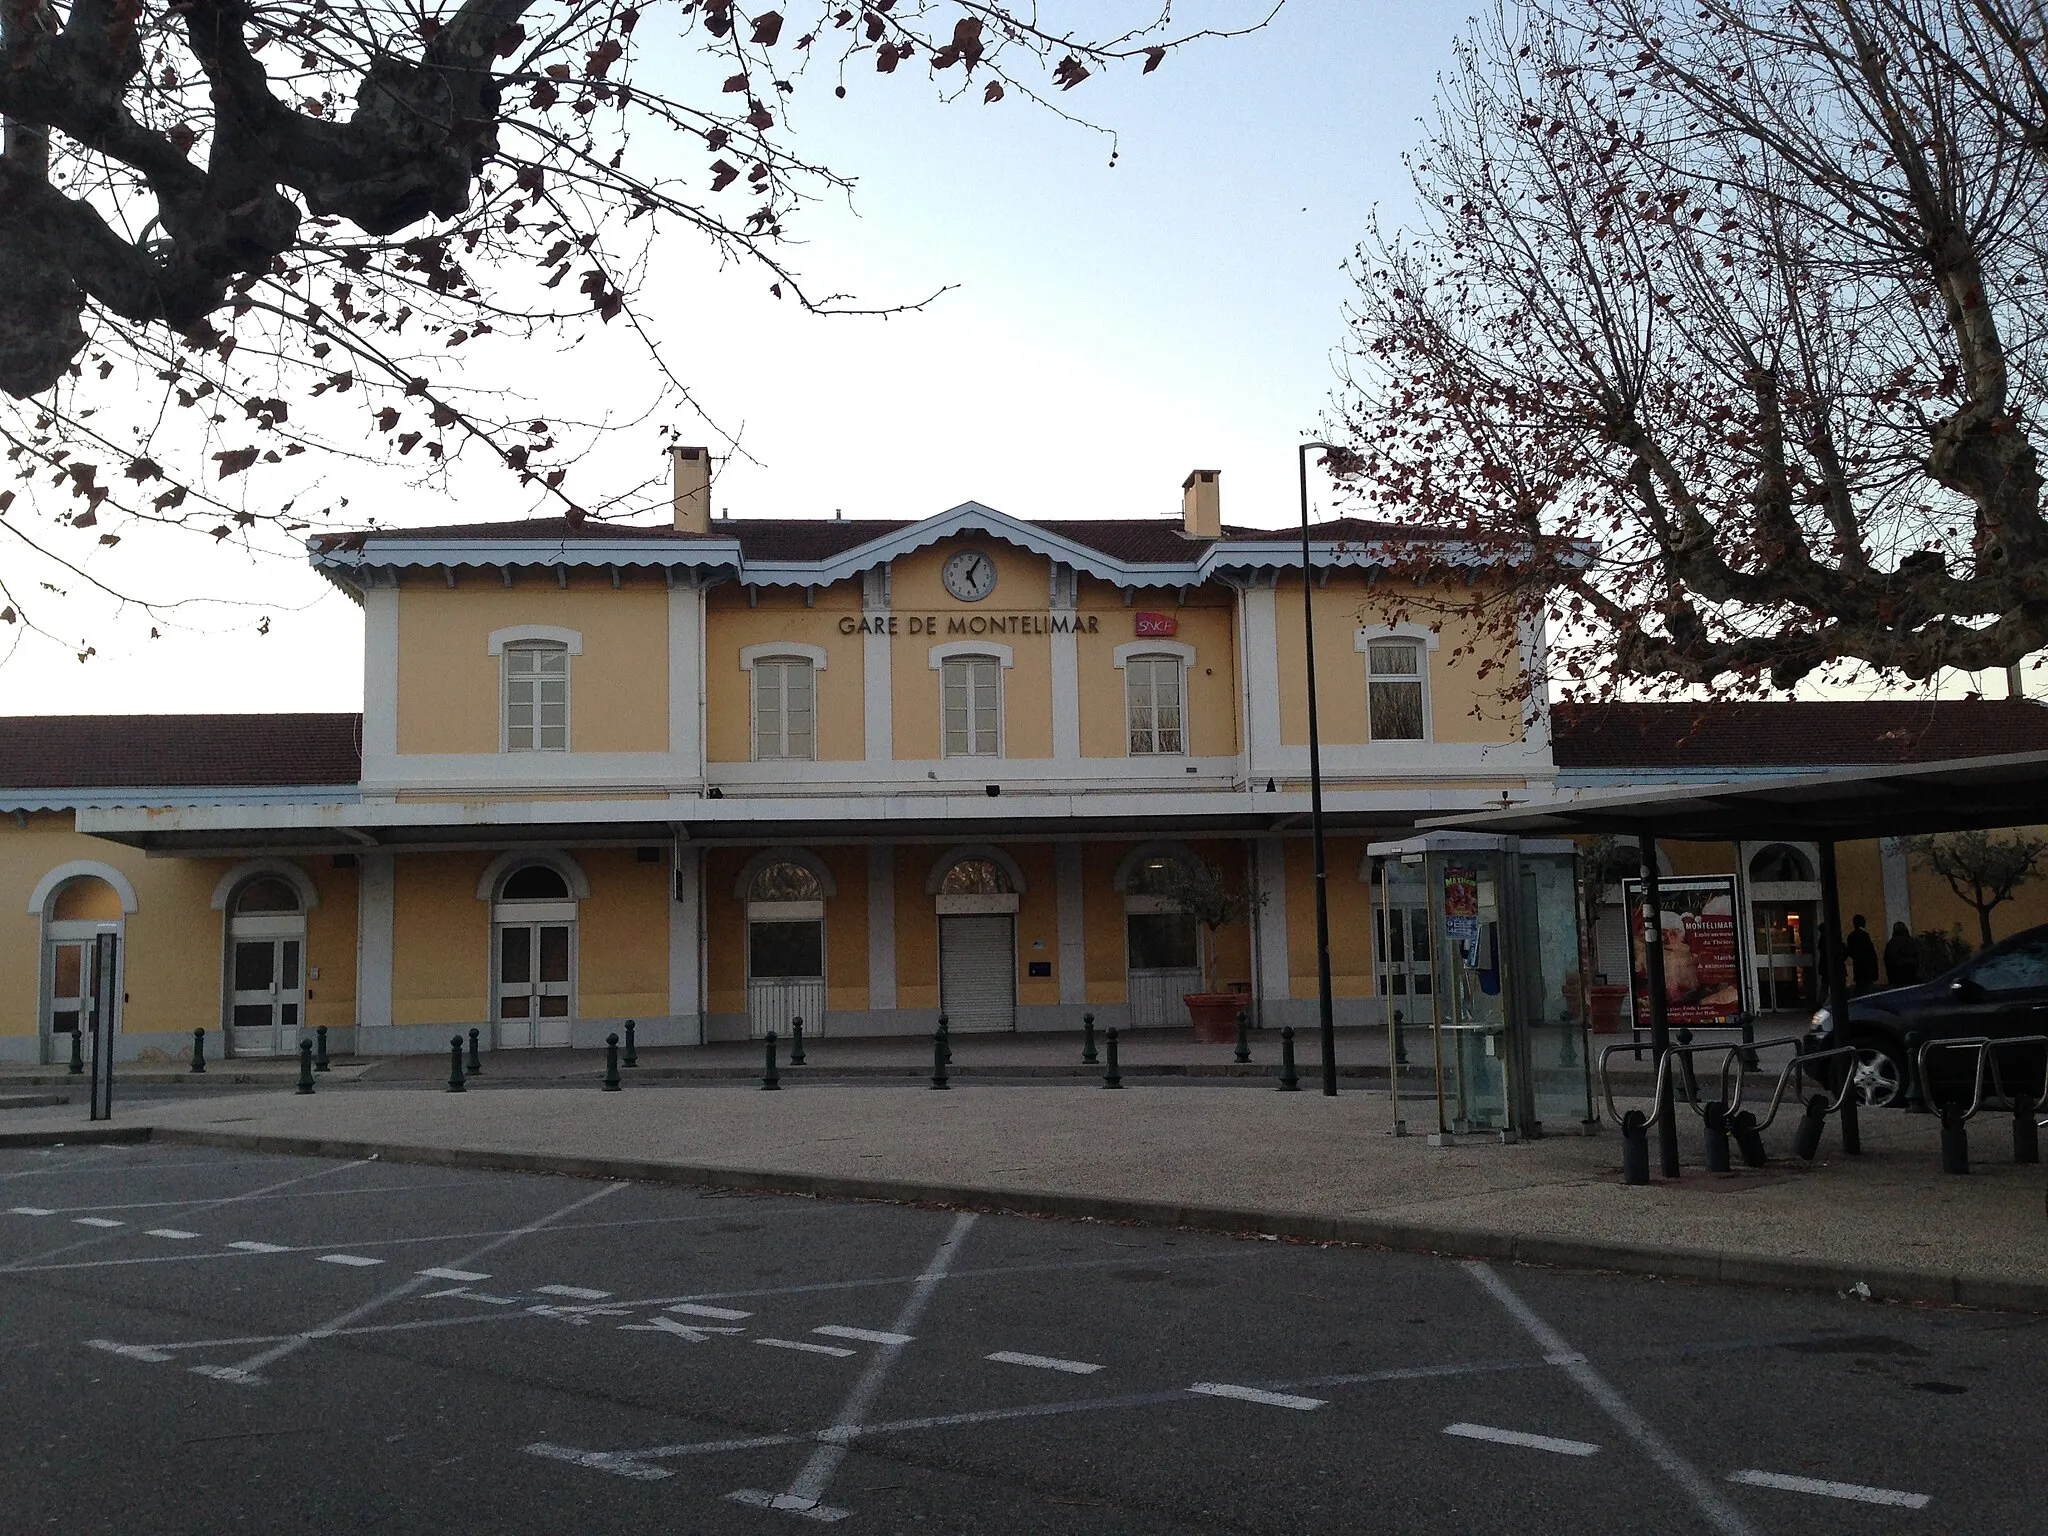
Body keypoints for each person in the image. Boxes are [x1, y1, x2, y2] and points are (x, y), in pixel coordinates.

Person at [1845, 914, 1879, 995]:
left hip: (1858, 968)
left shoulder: (1851, 936)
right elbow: (1870, 954)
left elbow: (1850, 952)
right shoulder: (1865, 935)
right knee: (1868, 991)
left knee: (1860, 989)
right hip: (1868, 968)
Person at [1884, 920, 1921, 988]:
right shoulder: (1911, 942)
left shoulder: (1891, 944)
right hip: (1912, 977)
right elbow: (1918, 957)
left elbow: (1888, 961)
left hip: (1896, 979)